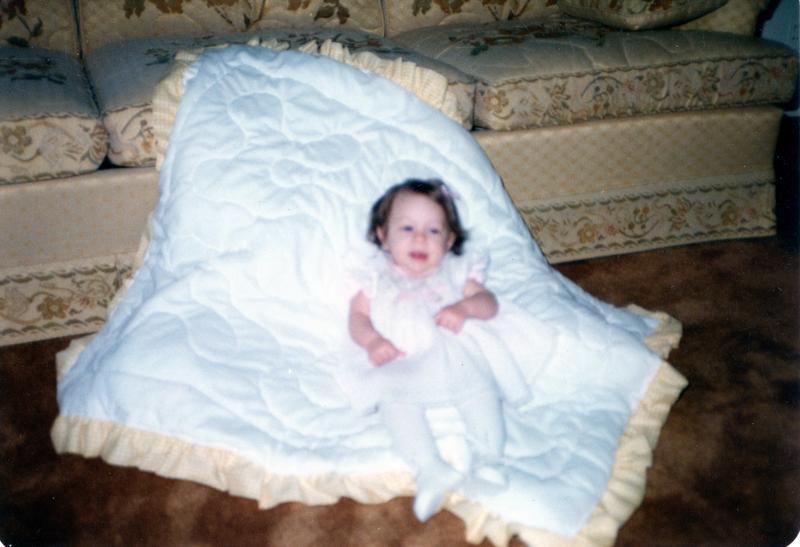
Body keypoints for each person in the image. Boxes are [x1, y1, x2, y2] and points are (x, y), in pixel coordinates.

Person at [345, 178, 514, 521]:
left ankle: (489, 459)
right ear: (383, 235)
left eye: (433, 231)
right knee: (393, 402)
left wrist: (464, 308)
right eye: (407, 228)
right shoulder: (376, 278)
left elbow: (489, 303)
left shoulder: (455, 272)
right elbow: (357, 317)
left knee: (480, 391)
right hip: (402, 358)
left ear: (449, 240)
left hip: (451, 354)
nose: (420, 238)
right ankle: (430, 468)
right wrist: (373, 341)